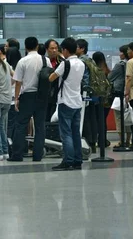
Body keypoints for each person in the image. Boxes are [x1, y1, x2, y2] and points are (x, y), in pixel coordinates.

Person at [10, 37, 50, 162]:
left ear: (25, 47)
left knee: (21, 125)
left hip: (27, 96)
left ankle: (18, 155)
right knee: (39, 126)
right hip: (42, 96)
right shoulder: (46, 60)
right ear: (37, 46)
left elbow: (18, 82)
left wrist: (16, 98)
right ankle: (37, 155)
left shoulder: (23, 61)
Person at [49, 37, 86, 171]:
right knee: (76, 133)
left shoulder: (65, 64)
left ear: (64, 50)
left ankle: (68, 160)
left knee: (66, 133)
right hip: (77, 102)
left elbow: (51, 77)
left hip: (65, 101)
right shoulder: (81, 63)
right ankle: (77, 160)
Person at [76, 39, 99, 153]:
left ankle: (87, 142)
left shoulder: (81, 61)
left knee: (84, 118)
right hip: (92, 93)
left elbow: (84, 78)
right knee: (91, 117)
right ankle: (93, 142)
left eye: (76, 47)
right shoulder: (90, 60)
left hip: (85, 93)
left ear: (82, 48)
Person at [108, 45, 131, 147]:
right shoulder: (132, 63)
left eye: (121, 52)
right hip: (131, 92)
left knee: (119, 118)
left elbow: (110, 77)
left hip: (119, 93)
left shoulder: (120, 65)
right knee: (129, 118)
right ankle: (128, 140)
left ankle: (122, 140)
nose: (119, 54)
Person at [92, 51, 111, 147]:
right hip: (107, 100)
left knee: (97, 120)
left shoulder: (95, 71)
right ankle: (103, 140)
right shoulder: (107, 70)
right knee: (103, 120)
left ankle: (96, 139)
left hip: (97, 100)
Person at [45, 39, 64, 121]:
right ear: (47, 49)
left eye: (56, 48)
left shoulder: (62, 62)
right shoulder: (43, 61)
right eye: (52, 48)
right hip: (45, 95)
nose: (54, 50)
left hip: (58, 94)